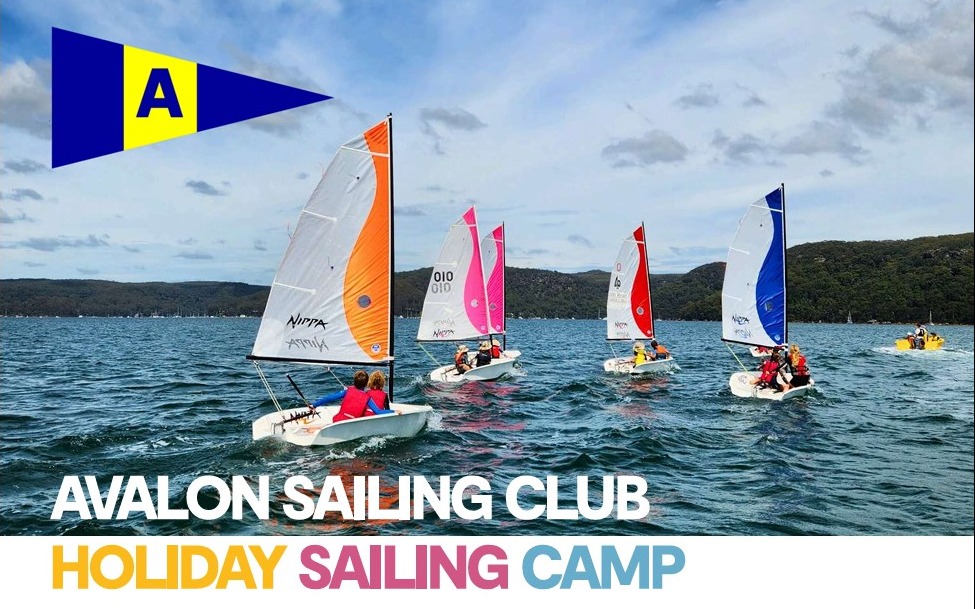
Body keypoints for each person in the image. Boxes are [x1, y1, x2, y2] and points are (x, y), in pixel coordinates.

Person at [310, 370, 396, 423]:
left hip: (337, 421)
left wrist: (314, 405)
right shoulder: (367, 398)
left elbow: (329, 398)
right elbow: (378, 412)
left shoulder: (347, 391)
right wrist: (395, 411)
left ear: (354, 381)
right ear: (367, 384)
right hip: (351, 424)